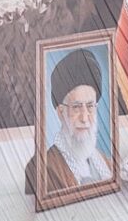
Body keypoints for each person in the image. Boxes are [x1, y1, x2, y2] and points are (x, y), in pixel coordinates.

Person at [44, 49, 112, 192]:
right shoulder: (47, 169)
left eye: (90, 106)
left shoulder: (106, 163)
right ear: (60, 112)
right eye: (76, 107)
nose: (84, 118)